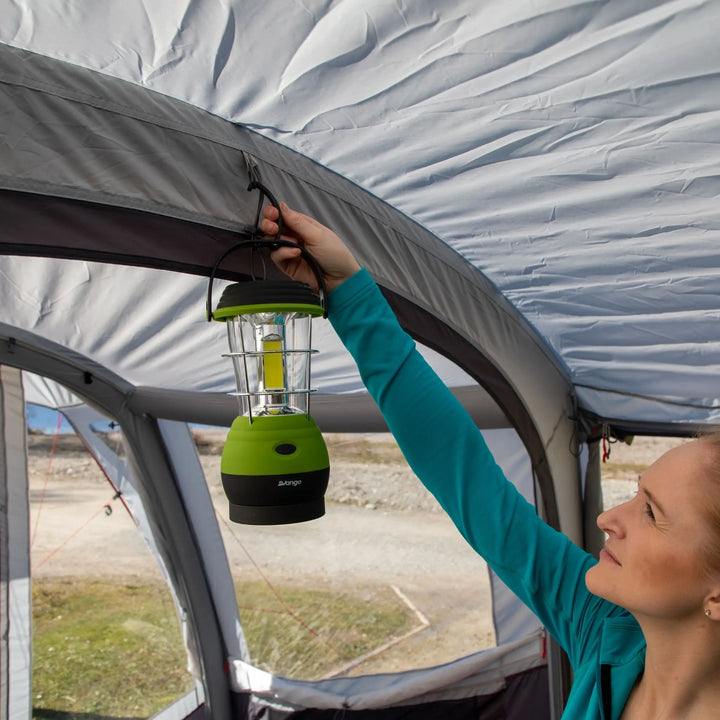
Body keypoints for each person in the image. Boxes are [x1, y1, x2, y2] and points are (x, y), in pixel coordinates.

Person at [260, 202, 720, 720]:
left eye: (652, 513)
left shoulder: (605, 627)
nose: (608, 519)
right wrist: (347, 291)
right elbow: (468, 477)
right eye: (635, 495)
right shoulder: (607, 633)